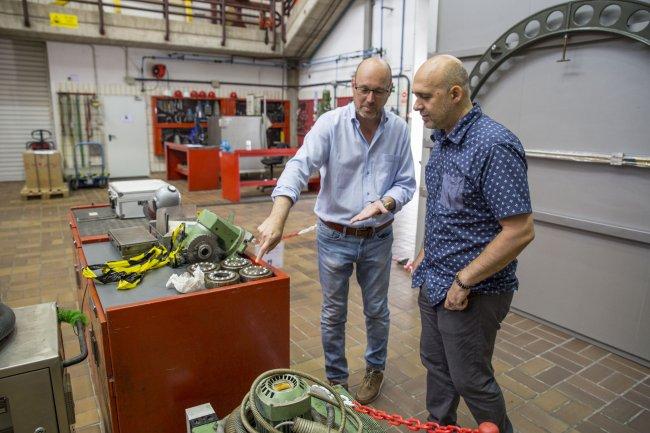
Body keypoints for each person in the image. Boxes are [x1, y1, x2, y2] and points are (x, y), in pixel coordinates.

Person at [256, 57, 416, 404]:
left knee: (377, 309)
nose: (369, 99)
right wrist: (278, 213)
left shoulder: (399, 131)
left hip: (378, 236)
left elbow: (406, 182)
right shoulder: (330, 125)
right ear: (352, 87)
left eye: (377, 91)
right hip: (334, 237)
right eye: (363, 90)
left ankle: (375, 368)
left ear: (390, 92)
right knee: (332, 312)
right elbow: (300, 165)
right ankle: (336, 380)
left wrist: (386, 203)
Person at [410, 55, 535, 433]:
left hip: (473, 291)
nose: (416, 105)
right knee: (436, 364)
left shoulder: (493, 146)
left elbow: (520, 230)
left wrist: (465, 281)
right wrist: (426, 252)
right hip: (434, 281)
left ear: (454, 93)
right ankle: (440, 425)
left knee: (471, 379)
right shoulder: (445, 141)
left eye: (425, 97)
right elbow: (453, 210)